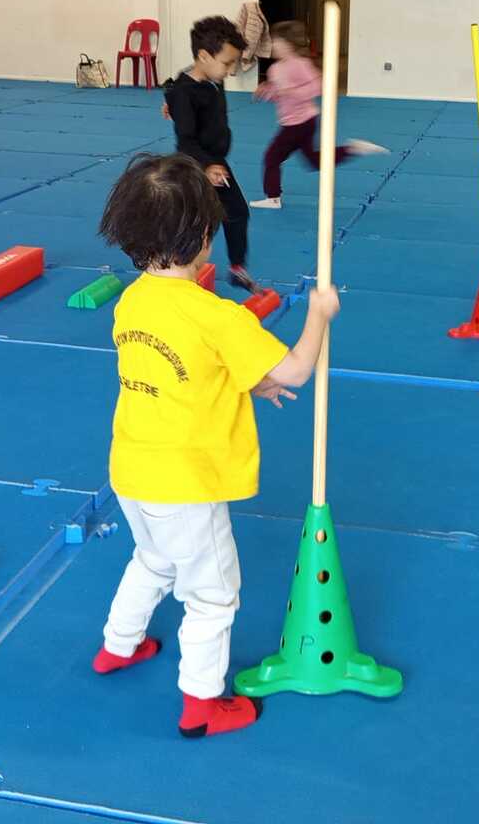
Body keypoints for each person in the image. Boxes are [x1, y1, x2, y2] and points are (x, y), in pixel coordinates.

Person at [92, 153, 340, 739]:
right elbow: (296, 370)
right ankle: (202, 704)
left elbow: (184, 373)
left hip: (132, 468)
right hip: (188, 483)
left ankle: (118, 645)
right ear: (204, 234)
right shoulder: (216, 316)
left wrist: (249, 380)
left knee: (152, 559)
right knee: (212, 596)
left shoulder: (132, 302)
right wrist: (319, 315)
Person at [248, 20, 386, 210]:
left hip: (301, 122)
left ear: (288, 44)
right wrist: (266, 92)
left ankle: (273, 198)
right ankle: (353, 149)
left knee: (271, 158)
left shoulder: (300, 64)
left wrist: (293, 92)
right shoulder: (275, 69)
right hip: (293, 122)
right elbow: (279, 95)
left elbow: (317, 86)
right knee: (313, 160)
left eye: (276, 42)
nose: (273, 46)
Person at [165, 16, 257, 291]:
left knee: (237, 212)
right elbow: (185, 140)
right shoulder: (185, 92)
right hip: (195, 165)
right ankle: (175, 266)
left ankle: (237, 268)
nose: (230, 70)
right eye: (227, 63)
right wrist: (206, 166)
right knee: (198, 222)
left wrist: (168, 101)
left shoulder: (212, 78)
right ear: (204, 56)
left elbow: (175, 83)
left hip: (216, 162)